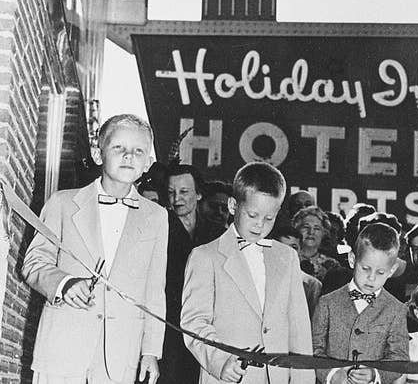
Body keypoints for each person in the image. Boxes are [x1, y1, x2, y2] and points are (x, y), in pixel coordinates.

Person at [21, 114, 167, 384]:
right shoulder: (62, 203)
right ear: (99, 155)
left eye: (138, 151)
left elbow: (154, 289)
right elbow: (34, 263)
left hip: (120, 354)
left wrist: (150, 352)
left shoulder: (157, 217)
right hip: (62, 347)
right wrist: (63, 284)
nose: (128, 156)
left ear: (147, 163)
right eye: (118, 148)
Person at [181, 162, 313, 384]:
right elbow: (194, 323)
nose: (259, 225)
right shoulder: (205, 256)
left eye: (268, 218)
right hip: (227, 378)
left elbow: (299, 332)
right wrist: (221, 361)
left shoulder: (287, 257)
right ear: (233, 205)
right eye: (252, 215)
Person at [312, 222, 409, 384]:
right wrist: (331, 374)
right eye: (365, 268)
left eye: (380, 272)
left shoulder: (397, 309)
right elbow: (313, 349)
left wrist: (375, 374)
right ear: (352, 260)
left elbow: (400, 357)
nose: (371, 278)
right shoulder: (326, 303)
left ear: (392, 271)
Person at [160, 164, 225, 384]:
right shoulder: (158, 229)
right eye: (171, 192)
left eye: (184, 191)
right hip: (168, 328)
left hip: (206, 328)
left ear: (198, 194)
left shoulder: (217, 233)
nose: (176, 198)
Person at [273, 225, 322, 317]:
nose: (289, 252)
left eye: (294, 248)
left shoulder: (311, 285)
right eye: (283, 247)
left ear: (300, 251)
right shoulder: (263, 278)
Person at [292, 206, 340, 281]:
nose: (311, 232)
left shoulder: (332, 265)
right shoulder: (289, 259)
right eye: (306, 227)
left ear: (324, 233)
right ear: (297, 229)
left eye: (316, 228)